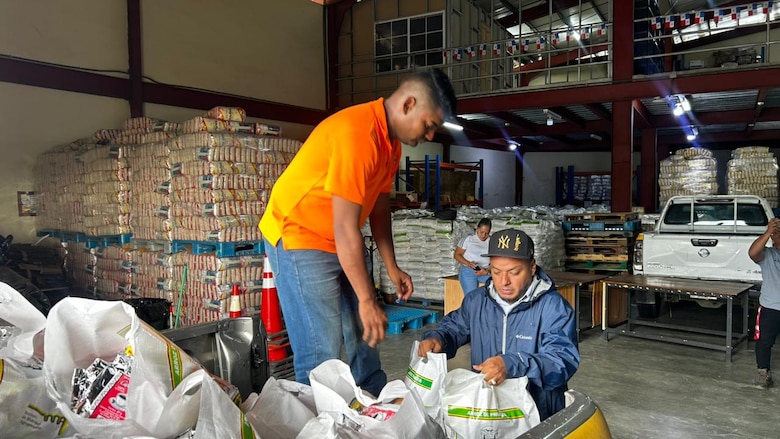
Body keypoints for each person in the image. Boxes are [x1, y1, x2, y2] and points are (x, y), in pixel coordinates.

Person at [260, 68, 457, 396]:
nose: (431, 136)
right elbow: (345, 226)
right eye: (430, 125)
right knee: (320, 348)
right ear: (409, 104)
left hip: (336, 237)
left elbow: (378, 211)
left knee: (366, 332)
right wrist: (366, 298)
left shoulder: (390, 145)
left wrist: (391, 267)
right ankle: (317, 422)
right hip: (300, 235)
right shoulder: (358, 133)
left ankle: (372, 405)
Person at [418, 228, 580, 421]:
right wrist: (438, 339)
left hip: (538, 413)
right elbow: (454, 328)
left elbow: (561, 361)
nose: (504, 282)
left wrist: (512, 364)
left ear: (532, 267)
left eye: (514, 272)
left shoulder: (553, 307)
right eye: (496, 272)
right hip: (487, 408)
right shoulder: (476, 301)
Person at [748, 216, 780, 388]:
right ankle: (763, 372)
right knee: (764, 342)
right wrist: (768, 232)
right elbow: (752, 253)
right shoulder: (768, 255)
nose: (778, 234)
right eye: (776, 232)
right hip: (770, 308)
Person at [453, 218, 492, 295]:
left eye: (486, 233)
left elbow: (495, 261)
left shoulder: (492, 241)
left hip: (484, 270)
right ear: (477, 229)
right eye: (481, 232)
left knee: (497, 287)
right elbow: (457, 255)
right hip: (469, 270)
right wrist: (468, 263)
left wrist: (487, 271)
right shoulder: (468, 239)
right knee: (471, 296)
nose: (483, 235)